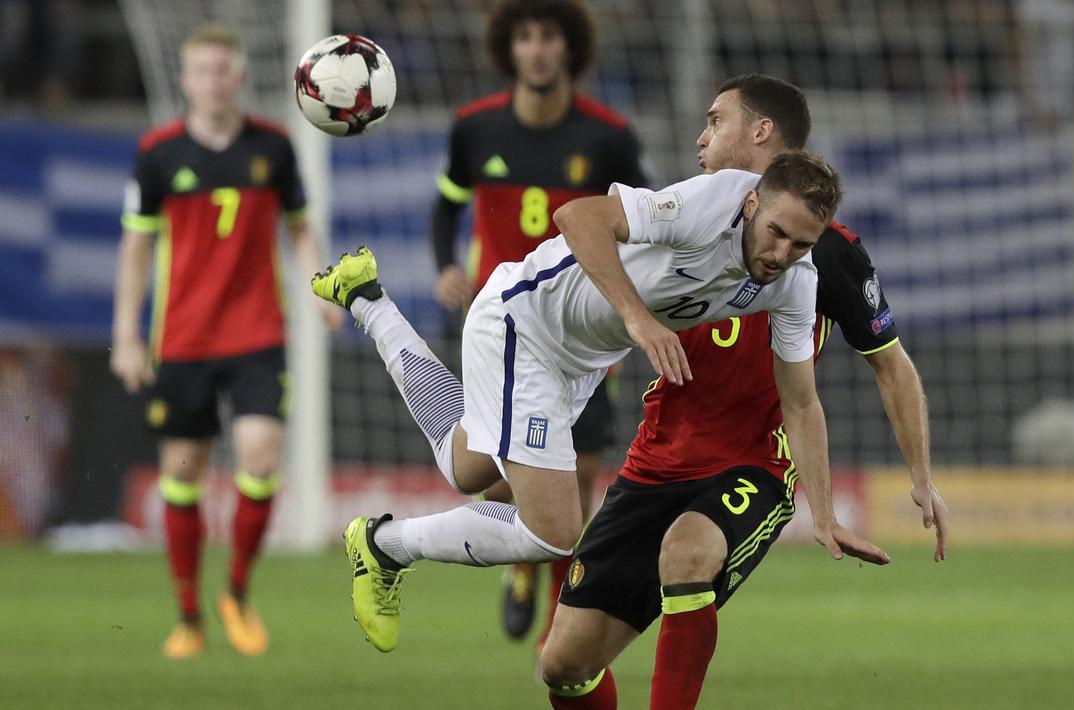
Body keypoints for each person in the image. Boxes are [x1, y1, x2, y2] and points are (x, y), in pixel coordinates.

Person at [313, 148, 888, 657]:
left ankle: (368, 300)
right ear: (752, 203)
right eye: (777, 232)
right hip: (524, 320)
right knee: (554, 531)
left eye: (801, 244)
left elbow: (800, 403)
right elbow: (577, 217)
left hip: (580, 359)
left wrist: (825, 514)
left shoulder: (795, 281)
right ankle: (385, 545)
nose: (782, 253)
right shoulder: (709, 204)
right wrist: (639, 320)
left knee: (466, 468)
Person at [535, 74, 950, 710]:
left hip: (754, 464)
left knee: (686, 553)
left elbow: (890, 367)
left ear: (760, 132)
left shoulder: (827, 255)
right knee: (563, 665)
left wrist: (920, 476)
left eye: (716, 121)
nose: (702, 138)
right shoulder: (689, 209)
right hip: (657, 460)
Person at [110, 22, 341, 659]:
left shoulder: (274, 147)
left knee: (260, 458)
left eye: (223, 70)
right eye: (203, 71)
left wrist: (319, 289)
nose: (214, 81)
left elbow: (299, 228)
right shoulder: (158, 153)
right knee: (181, 477)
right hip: (183, 339)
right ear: (186, 81)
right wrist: (126, 333)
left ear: (239, 78)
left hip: (257, 333)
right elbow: (136, 246)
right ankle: (188, 616)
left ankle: (236, 592)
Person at [431, 0, 646, 645]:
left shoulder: (608, 137)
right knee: (500, 474)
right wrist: (446, 265)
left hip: (581, 334)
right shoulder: (474, 129)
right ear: (509, 48)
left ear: (570, 46)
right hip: (500, 329)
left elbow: (640, 224)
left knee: (577, 480)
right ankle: (520, 562)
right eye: (525, 37)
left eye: (549, 36)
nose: (538, 49)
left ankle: (559, 630)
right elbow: (445, 205)